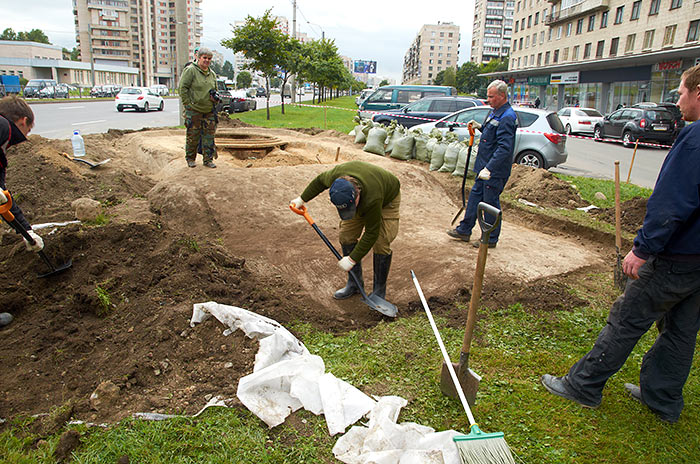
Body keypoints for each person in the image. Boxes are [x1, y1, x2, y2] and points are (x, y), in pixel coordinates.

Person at [541, 64, 700, 424]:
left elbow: (672, 202)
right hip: (698, 263)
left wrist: (643, 248)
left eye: (681, 92)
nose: (677, 99)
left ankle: (583, 385)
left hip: (676, 256)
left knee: (627, 318)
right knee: (681, 329)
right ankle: (662, 399)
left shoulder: (695, 138)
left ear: (699, 92)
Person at [290, 161, 401, 306]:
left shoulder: (373, 197)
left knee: (381, 242)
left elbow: (371, 233)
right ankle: (354, 283)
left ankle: (378, 292)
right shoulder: (334, 177)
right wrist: (301, 199)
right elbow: (318, 182)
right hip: (362, 195)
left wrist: (352, 259)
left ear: (357, 195)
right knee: (346, 235)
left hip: (387, 198)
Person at [447, 79, 517, 248]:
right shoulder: (495, 112)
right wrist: (480, 128)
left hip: (493, 171)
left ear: (502, 96)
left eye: (491, 97)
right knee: (474, 199)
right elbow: (491, 134)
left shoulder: (507, 117)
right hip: (483, 168)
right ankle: (464, 230)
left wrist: (489, 168)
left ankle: (490, 239)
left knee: (489, 204)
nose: (488, 100)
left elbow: (504, 148)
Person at [0, 96, 44, 327]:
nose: (25, 137)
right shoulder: (3, 126)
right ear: (23, 121)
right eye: (28, 129)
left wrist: (27, 230)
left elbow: (4, 198)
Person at [179, 46, 218, 168]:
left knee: (209, 137)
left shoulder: (212, 74)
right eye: (205, 58)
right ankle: (190, 158)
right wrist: (188, 104)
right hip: (194, 110)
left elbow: (215, 89)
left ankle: (208, 160)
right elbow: (183, 88)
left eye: (209, 59)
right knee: (193, 135)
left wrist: (214, 98)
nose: (207, 60)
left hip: (208, 110)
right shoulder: (191, 70)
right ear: (199, 58)